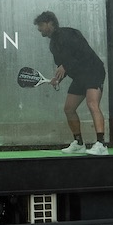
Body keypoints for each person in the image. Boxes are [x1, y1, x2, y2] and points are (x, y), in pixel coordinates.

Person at [34, 11, 108, 156]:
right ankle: (79, 143)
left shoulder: (69, 33)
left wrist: (66, 65)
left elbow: (83, 53)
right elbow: (62, 67)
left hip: (93, 71)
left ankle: (101, 145)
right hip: (80, 76)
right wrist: (57, 79)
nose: (39, 29)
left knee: (92, 104)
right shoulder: (53, 44)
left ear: (50, 23)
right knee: (69, 109)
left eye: (41, 25)